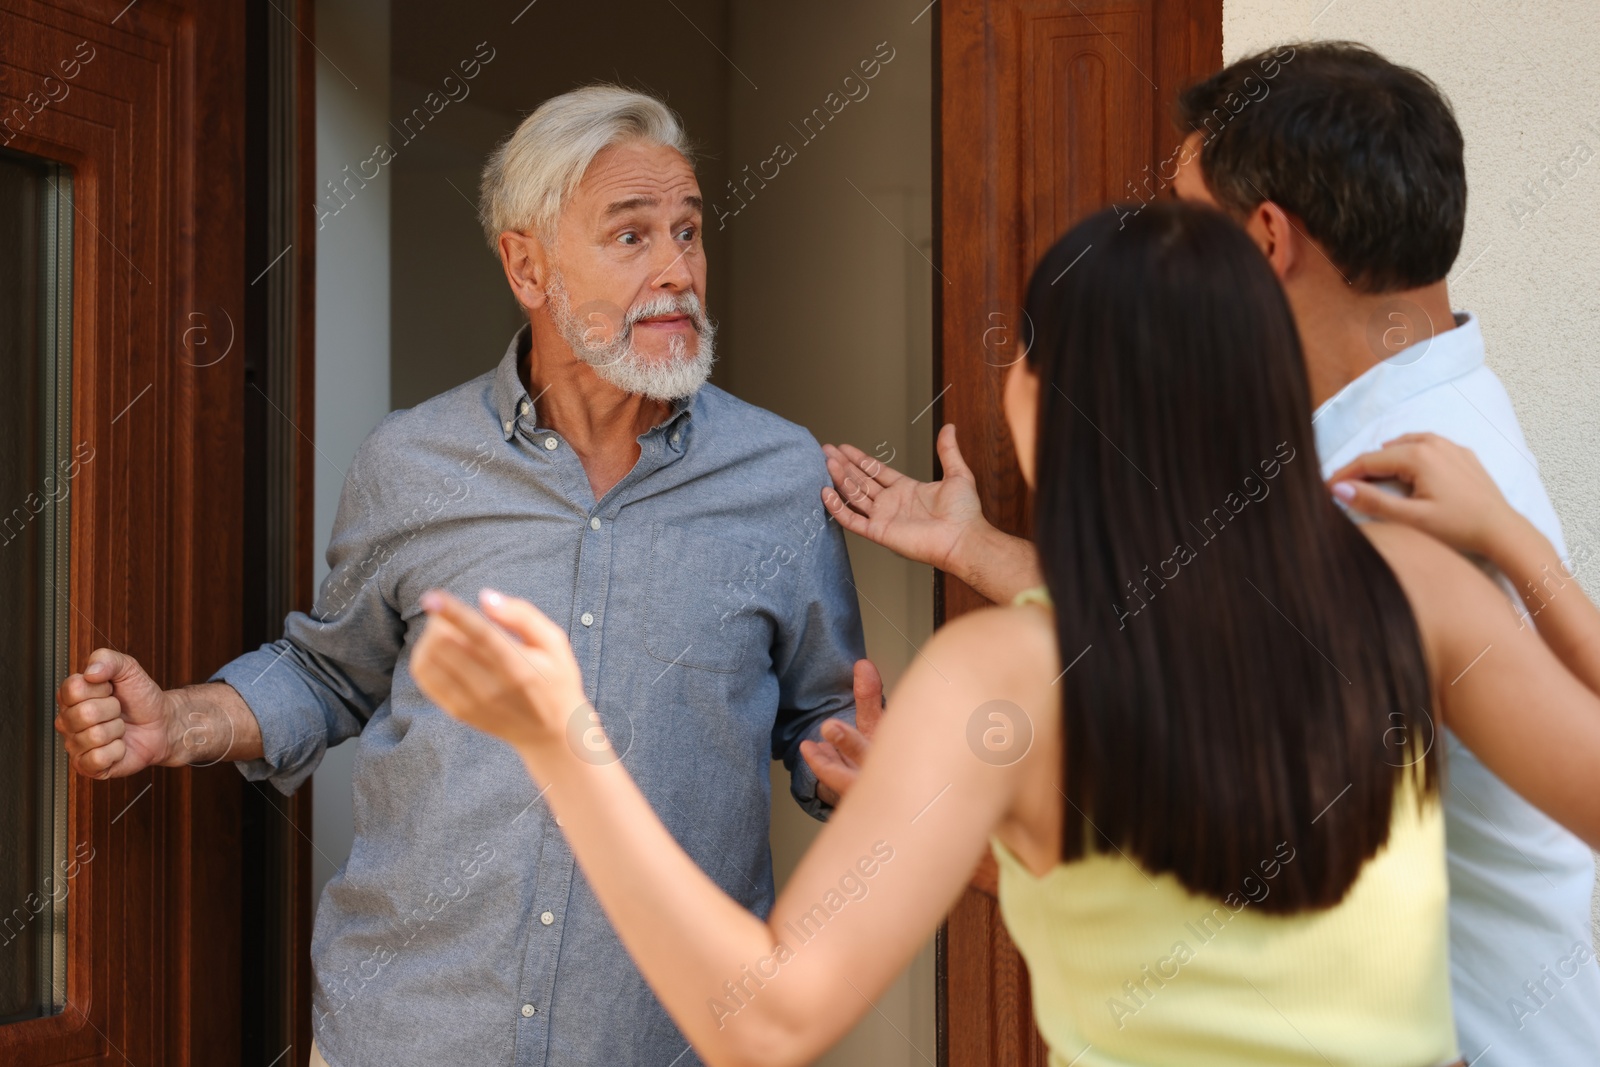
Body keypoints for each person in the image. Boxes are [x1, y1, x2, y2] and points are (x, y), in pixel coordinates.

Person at [410, 202, 1600, 1067]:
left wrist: (564, 739)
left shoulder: (1005, 678)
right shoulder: (1413, 584)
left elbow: (761, 1018)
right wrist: (1518, 548)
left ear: (1045, 394)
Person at [53, 85, 880, 1067]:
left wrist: (863, 774)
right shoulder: (409, 460)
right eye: (631, 237)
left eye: (689, 232)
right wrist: (178, 721)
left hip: (662, 1039)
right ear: (527, 264)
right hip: (407, 1033)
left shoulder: (781, 477)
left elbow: (824, 724)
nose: (679, 271)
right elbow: (331, 673)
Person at [821, 42, 1600, 1062]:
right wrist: (979, 547)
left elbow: (1188, 730)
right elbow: (1203, 621)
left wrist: (927, 809)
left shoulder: (1382, 491)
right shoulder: (1428, 414)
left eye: (1191, 219)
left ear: (1266, 239)